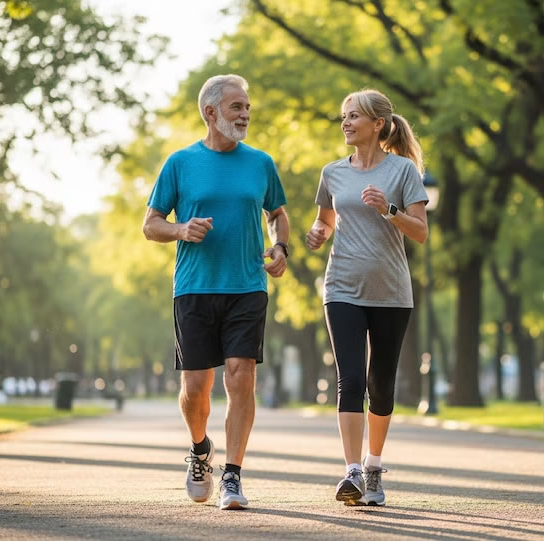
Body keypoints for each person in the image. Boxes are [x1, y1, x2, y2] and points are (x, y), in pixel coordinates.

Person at [142, 74, 289, 510]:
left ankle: (233, 475)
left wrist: (280, 246)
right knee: (195, 388)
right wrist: (181, 229)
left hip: (246, 285)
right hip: (194, 288)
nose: (245, 115)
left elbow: (278, 213)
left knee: (241, 374)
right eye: (236, 107)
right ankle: (200, 449)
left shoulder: (260, 162)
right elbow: (150, 225)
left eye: (247, 108)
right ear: (210, 113)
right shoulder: (180, 164)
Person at [305, 89, 429, 506]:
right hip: (341, 287)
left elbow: (421, 231)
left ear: (378, 124)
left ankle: (374, 465)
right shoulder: (332, 173)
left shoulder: (404, 171)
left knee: (381, 385)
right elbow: (324, 220)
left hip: (392, 293)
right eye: (343, 116)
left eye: (353, 116)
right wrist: (317, 234)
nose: (345, 123)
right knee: (351, 379)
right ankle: (352, 471)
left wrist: (389, 210)